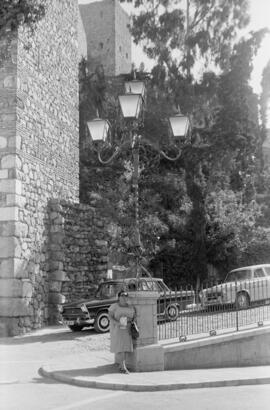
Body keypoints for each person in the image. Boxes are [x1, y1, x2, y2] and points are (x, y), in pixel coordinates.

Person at [108, 290, 135, 374]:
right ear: (118, 297)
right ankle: (123, 367)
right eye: (122, 295)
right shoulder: (114, 306)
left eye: (126, 295)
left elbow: (134, 316)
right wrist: (117, 323)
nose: (124, 297)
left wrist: (130, 320)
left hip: (127, 328)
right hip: (118, 328)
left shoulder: (130, 306)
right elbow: (110, 317)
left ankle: (121, 365)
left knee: (126, 347)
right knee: (121, 347)